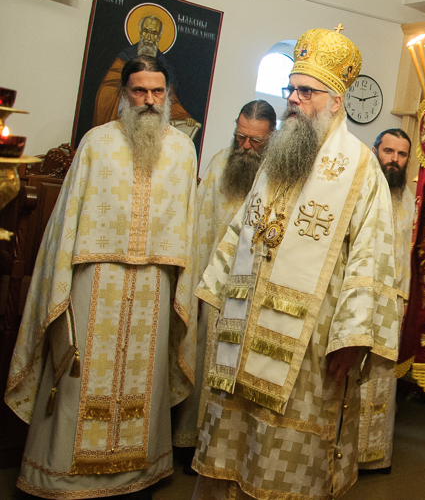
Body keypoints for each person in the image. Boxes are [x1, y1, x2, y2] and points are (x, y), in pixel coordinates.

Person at [191, 27, 401, 499]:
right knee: (231, 447)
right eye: (291, 89)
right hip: (244, 326)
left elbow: (371, 257)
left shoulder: (360, 168)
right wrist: (216, 288)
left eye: (306, 91)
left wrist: (352, 338)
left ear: (335, 101)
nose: (293, 99)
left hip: (310, 346)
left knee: (284, 460)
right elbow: (243, 227)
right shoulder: (279, 155)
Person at [5, 55, 198, 499]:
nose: (148, 100)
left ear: (168, 95)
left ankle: (136, 476)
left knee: (144, 380)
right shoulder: (96, 142)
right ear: (123, 94)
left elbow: (187, 226)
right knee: (79, 375)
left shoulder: (183, 151)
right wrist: (61, 280)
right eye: (139, 90)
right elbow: (66, 219)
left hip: (154, 283)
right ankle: (62, 476)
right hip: (94, 278)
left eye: (157, 91)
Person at [171, 99, 276, 464]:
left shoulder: (281, 177)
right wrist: (196, 284)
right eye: (240, 137)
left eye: (255, 141)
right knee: (205, 362)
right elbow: (199, 227)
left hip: (253, 293)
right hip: (213, 290)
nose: (245, 147)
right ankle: (192, 442)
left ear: (271, 137)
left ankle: (226, 451)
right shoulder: (219, 164)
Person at [358, 128, 416, 473]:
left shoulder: (409, 199)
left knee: (382, 379)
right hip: (358, 296)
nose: (394, 160)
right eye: (388, 151)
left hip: (392, 302)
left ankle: (374, 455)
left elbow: (408, 257)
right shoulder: (360, 187)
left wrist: (404, 301)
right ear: (375, 150)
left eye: (402, 154)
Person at [94, 15, 198, 138]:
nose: (149, 37)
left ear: (159, 36)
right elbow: (107, 90)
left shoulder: (165, 66)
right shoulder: (124, 58)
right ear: (140, 32)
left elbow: (171, 99)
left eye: (153, 33)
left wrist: (184, 117)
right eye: (146, 31)